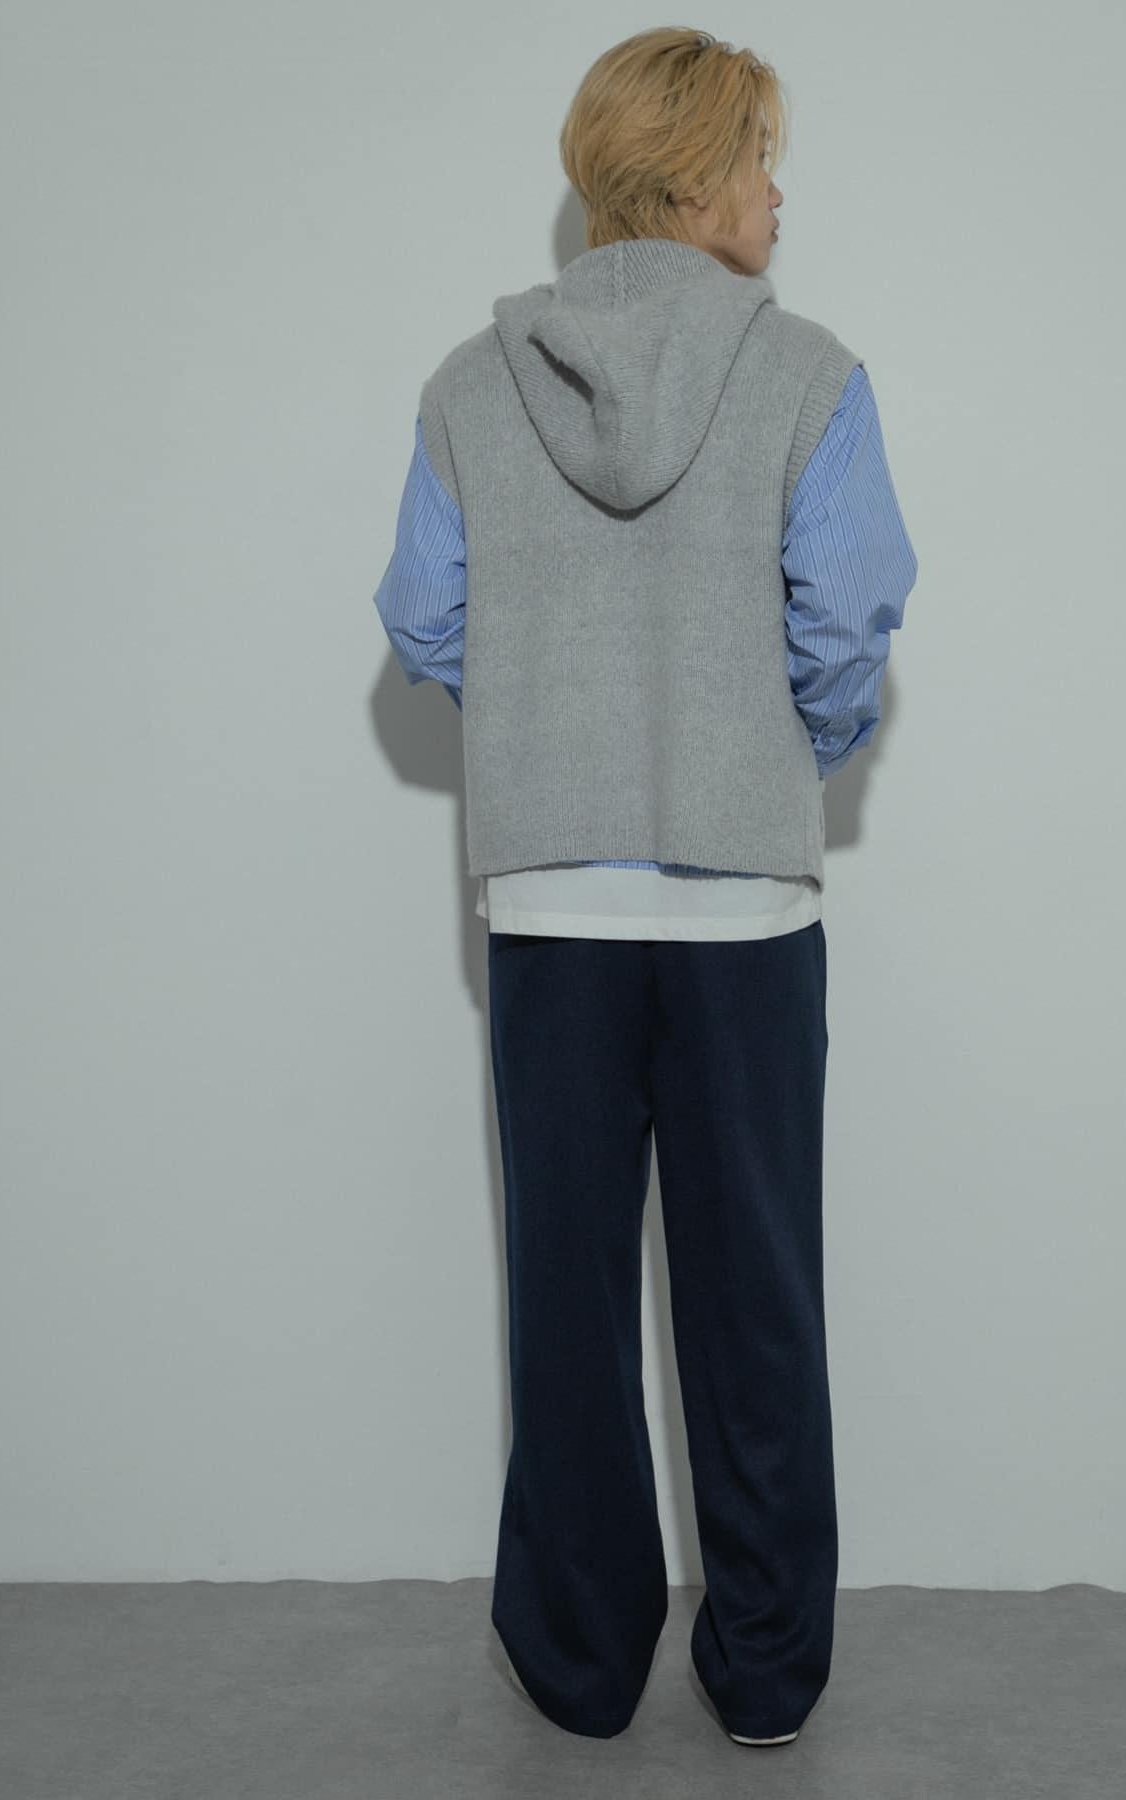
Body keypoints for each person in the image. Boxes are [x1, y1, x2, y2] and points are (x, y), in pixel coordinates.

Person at [372, 25, 918, 1747]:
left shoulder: (473, 385)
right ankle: (763, 1671)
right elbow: (847, 621)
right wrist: (776, 744)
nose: (778, 194)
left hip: (552, 916)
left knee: (567, 1299)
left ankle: (579, 1660)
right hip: (745, 917)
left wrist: (553, 728)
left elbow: (422, 618)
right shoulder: (810, 376)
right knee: (758, 1303)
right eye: (759, 160)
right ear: (691, 181)